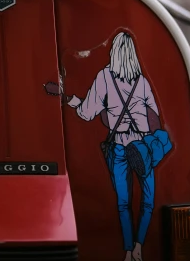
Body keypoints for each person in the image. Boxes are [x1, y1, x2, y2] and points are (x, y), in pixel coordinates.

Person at [46, 32, 161, 261]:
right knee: (148, 201)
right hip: (142, 148)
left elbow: (87, 113)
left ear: (114, 52)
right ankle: (139, 247)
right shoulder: (142, 81)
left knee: (123, 203)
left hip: (119, 147)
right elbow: (155, 118)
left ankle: (127, 251)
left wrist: (69, 99)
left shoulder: (104, 77)